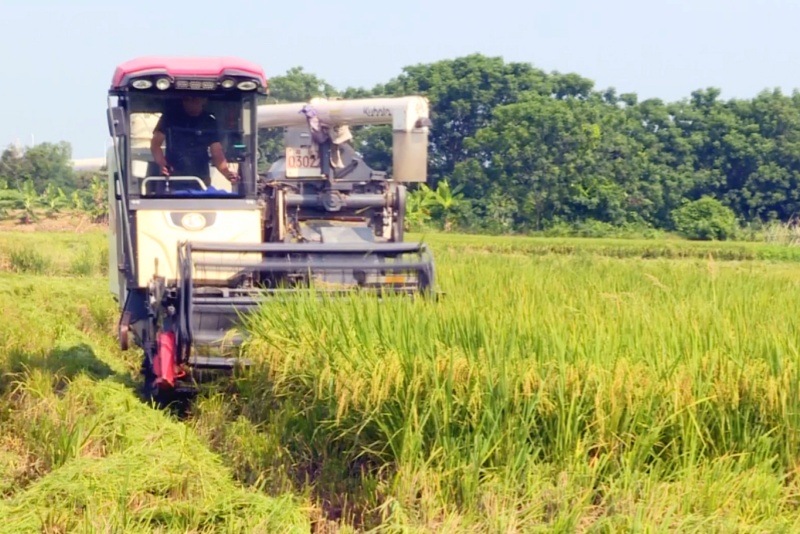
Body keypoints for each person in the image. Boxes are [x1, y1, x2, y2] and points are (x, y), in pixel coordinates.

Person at [150, 95, 238, 187]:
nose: (190, 103)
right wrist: (162, 164)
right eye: (187, 99)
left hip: (201, 179)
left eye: (195, 99)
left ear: (204, 100)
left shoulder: (209, 121)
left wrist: (227, 173)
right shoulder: (169, 117)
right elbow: (155, 144)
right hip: (173, 178)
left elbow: (217, 152)